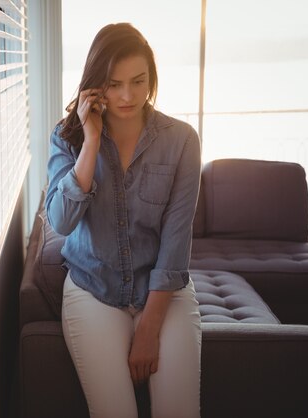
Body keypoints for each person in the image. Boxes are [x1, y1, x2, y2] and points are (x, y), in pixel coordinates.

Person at [46, 23, 202, 418]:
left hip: (163, 290)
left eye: (139, 81)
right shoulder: (67, 138)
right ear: (96, 85)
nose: (128, 95)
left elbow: (176, 239)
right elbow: (61, 222)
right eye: (114, 84)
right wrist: (92, 139)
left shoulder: (182, 140)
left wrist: (149, 328)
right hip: (92, 288)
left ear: (152, 78)